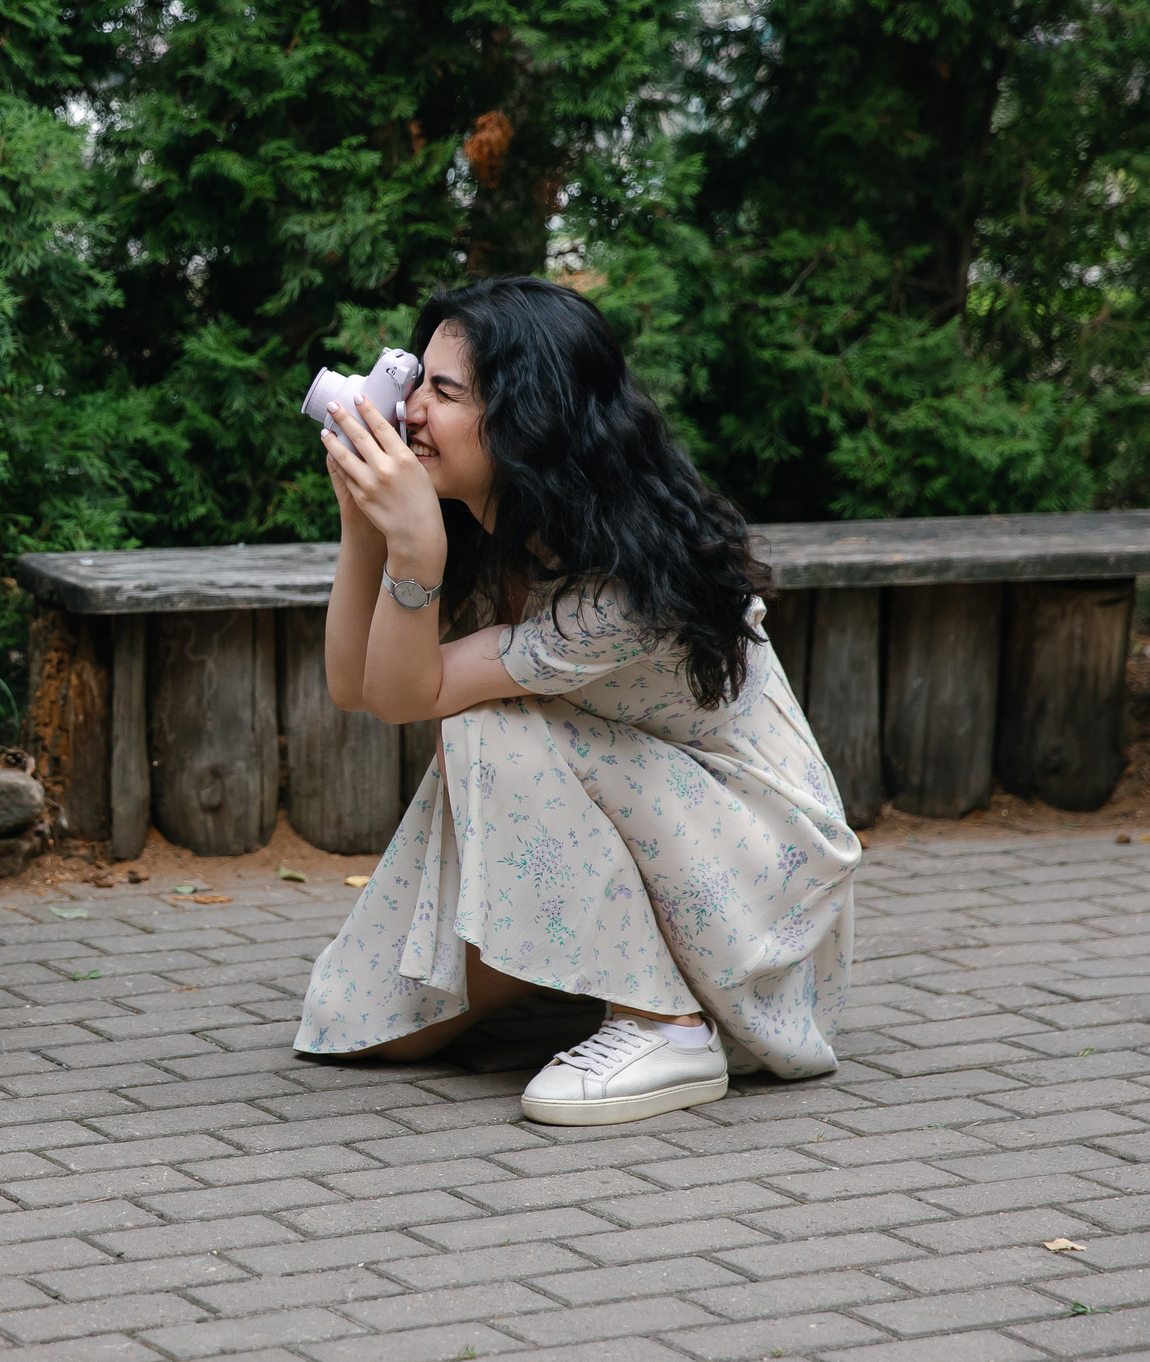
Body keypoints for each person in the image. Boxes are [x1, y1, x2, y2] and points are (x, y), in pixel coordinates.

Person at [298, 276, 859, 1125]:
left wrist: (414, 546)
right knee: (360, 1020)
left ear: (528, 417)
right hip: (651, 822)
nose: (409, 410)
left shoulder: (620, 587)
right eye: (416, 382)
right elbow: (360, 687)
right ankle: (615, 971)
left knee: (484, 724)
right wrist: (364, 525)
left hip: (759, 880)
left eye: (444, 392)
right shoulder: (497, 529)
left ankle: (666, 1027)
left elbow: (418, 695)